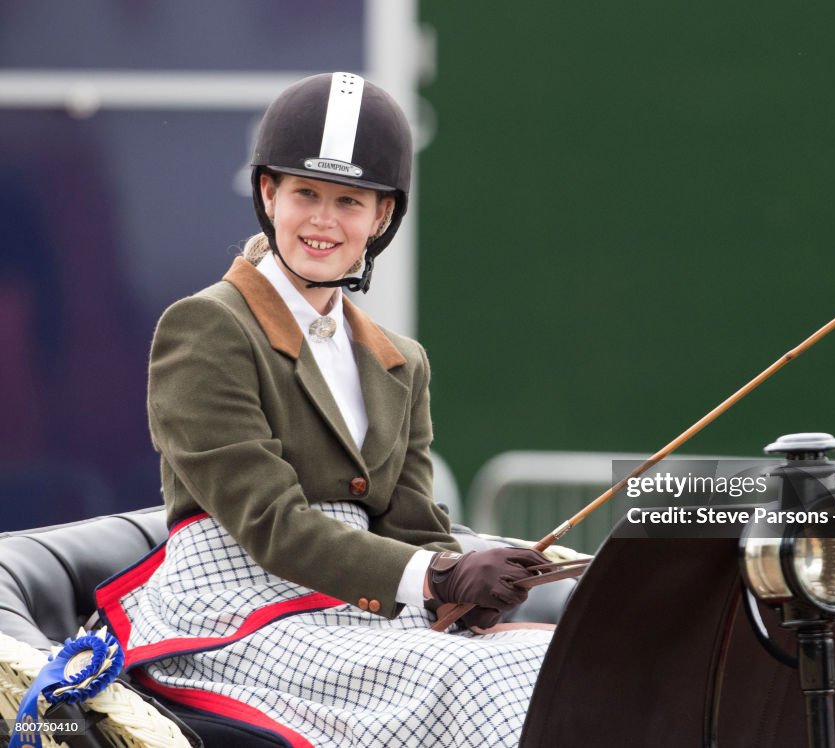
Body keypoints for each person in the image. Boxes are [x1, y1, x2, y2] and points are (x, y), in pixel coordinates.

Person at [96, 72, 555, 748]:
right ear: (267, 194)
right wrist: (434, 575)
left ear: (381, 218)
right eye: (305, 193)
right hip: (239, 611)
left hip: (359, 609)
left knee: (543, 658)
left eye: (348, 201)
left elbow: (412, 523)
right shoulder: (205, 327)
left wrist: (467, 591)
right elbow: (271, 523)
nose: (322, 220)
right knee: (474, 680)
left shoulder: (400, 360)